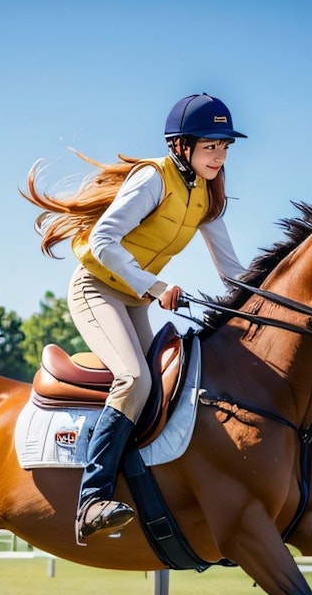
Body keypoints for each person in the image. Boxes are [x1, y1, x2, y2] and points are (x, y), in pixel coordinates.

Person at [23, 93, 248, 545]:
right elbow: (104, 241)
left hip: (134, 299)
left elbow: (233, 272)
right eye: (210, 146)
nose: (219, 155)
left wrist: (279, 301)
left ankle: (140, 490)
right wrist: (158, 287)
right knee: (134, 380)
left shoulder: (205, 195)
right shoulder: (153, 178)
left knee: (167, 387)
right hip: (95, 289)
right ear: (181, 146)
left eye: (225, 146)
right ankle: (90, 501)